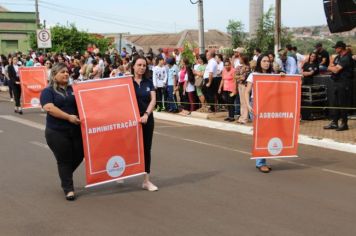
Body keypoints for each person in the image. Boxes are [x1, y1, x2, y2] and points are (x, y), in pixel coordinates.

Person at [40, 63, 84, 201]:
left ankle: (65, 176)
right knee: (64, 160)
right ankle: (68, 189)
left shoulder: (74, 89)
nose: (66, 74)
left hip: (76, 131)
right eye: (62, 72)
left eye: (67, 72)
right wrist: (68, 117)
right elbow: (49, 108)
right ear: (54, 75)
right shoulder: (48, 92)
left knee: (79, 155)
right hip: (56, 132)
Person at [131, 55, 158, 191]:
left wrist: (146, 114)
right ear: (133, 66)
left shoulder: (148, 82)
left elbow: (153, 100)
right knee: (128, 148)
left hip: (147, 119)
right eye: (139, 65)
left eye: (144, 65)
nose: (142, 68)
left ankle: (146, 181)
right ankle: (120, 173)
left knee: (146, 149)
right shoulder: (127, 81)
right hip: (130, 121)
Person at [244, 54, 274, 173]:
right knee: (262, 134)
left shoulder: (272, 75)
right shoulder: (253, 75)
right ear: (259, 62)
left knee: (266, 134)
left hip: (268, 106)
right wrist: (248, 105)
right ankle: (261, 163)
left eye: (268, 61)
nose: (267, 63)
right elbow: (247, 92)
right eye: (264, 61)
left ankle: (261, 161)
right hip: (256, 105)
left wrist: (282, 76)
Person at [324, 41, 354, 131]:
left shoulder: (346, 58)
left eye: (336, 48)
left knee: (342, 104)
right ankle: (334, 122)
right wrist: (332, 68)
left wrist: (332, 68)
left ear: (340, 48)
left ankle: (344, 124)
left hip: (344, 83)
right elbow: (330, 66)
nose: (335, 49)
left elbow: (336, 70)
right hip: (337, 82)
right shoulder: (338, 57)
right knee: (335, 103)